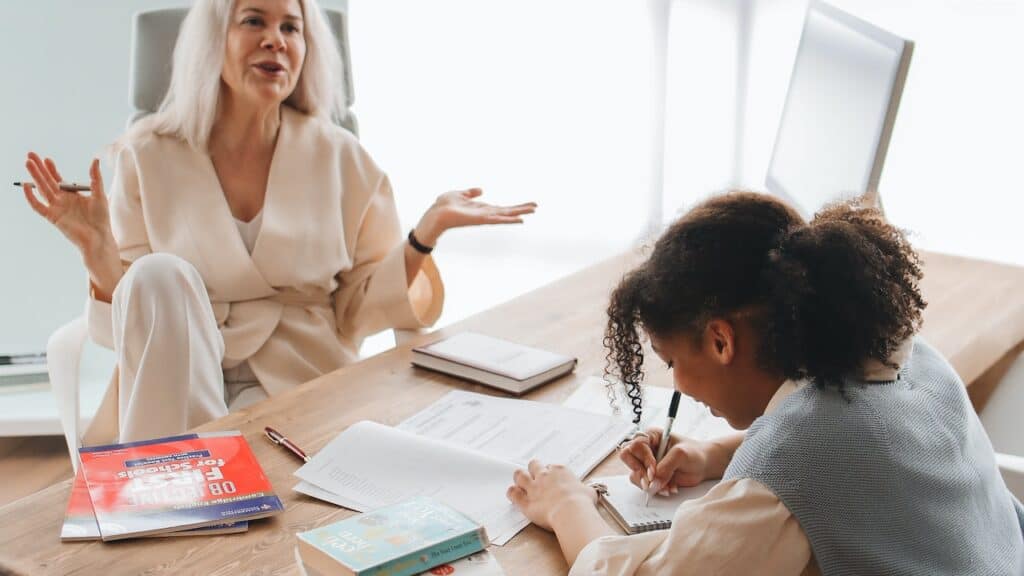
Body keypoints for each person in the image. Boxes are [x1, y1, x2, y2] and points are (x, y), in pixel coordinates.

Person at [19, 0, 535, 443]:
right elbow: (136, 325)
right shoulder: (146, 155)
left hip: (300, 379)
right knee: (158, 276)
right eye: (253, 21)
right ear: (213, 39)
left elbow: (357, 310)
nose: (275, 40)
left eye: (291, 26)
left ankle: (199, 491)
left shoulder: (342, 158)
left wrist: (425, 235)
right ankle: (195, 483)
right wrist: (99, 254)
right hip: (172, 386)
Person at [506, 192, 1024, 574]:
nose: (679, 384)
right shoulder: (913, 361)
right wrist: (716, 455)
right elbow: (849, 447)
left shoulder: (789, 469)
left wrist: (565, 504)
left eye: (670, 360)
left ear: (721, 342)